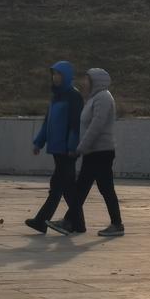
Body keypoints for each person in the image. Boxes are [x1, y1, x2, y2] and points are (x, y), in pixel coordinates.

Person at [52, 66, 124, 237]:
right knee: (86, 188)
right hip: (94, 151)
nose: (84, 82)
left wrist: (80, 148)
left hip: (100, 152)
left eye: (87, 79)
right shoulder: (94, 99)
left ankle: (115, 224)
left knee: (95, 188)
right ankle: (71, 222)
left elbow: (96, 126)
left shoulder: (103, 98)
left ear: (96, 82)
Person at [25, 60, 85, 234]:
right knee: (68, 189)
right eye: (53, 73)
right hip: (57, 149)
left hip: (67, 150)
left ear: (66, 76)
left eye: (58, 74)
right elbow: (48, 123)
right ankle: (79, 224)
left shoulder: (74, 96)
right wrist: (39, 142)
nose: (55, 77)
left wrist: (72, 147)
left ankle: (41, 221)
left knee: (58, 186)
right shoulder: (56, 96)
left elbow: (76, 125)